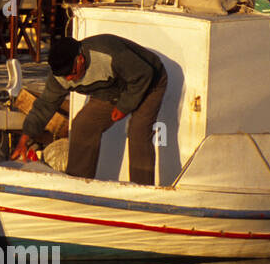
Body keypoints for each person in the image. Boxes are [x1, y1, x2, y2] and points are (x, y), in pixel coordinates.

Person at [11, 35, 169, 185]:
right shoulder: (60, 77)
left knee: (138, 130)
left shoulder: (109, 53)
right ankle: (77, 185)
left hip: (149, 81)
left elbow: (144, 74)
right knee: (83, 126)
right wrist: (25, 138)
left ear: (80, 59)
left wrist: (124, 106)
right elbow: (45, 105)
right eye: (64, 76)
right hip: (110, 91)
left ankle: (142, 191)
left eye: (71, 74)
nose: (69, 80)